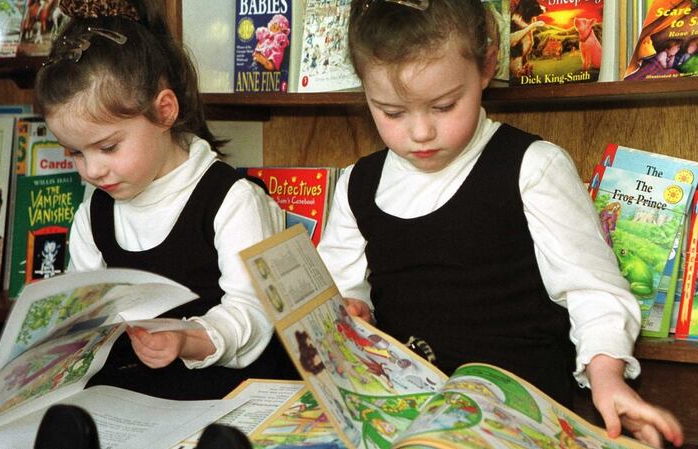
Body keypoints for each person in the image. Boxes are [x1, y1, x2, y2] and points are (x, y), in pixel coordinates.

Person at [317, 0, 683, 447]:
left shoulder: (532, 167)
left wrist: (607, 378)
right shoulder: (358, 183)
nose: (420, 132)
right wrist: (354, 308)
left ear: (487, 66)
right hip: (407, 414)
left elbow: (593, 291)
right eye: (392, 112)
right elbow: (338, 287)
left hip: (517, 418)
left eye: (444, 105)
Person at [34, 0, 297, 400]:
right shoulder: (94, 211)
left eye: (107, 147)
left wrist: (187, 338)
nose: (92, 170)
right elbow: (84, 308)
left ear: (164, 111)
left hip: (223, 384)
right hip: (136, 386)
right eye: (75, 153)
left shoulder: (230, 200)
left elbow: (255, 312)